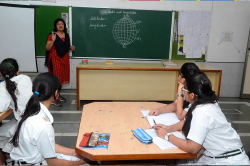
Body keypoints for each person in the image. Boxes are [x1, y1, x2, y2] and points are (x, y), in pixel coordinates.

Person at [154, 73, 250, 165]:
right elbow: (187, 122)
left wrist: (167, 135)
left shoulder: (201, 111)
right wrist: (168, 128)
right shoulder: (209, 103)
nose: (183, 91)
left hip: (226, 161)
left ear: (191, 95)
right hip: (224, 155)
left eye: (184, 89)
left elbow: (192, 148)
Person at [9, 72, 86, 165]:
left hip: (24, 160)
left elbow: (47, 145)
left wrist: (75, 153)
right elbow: (54, 163)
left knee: (74, 158)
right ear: (56, 93)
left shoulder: (29, 110)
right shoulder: (43, 125)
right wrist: (81, 162)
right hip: (35, 163)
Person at [0, 58, 33, 165]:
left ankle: (9, 158)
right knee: (5, 133)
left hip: (23, 124)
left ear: (1, 73)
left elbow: (1, 107)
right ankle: (10, 157)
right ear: (18, 71)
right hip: (33, 119)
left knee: (1, 135)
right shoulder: (26, 78)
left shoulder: (3, 86)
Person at [45, 18, 75, 107]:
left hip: (64, 60)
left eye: (62, 24)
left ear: (64, 26)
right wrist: (52, 41)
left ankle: (57, 96)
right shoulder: (52, 35)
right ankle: (53, 99)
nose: (60, 25)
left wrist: (71, 47)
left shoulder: (66, 35)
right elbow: (47, 48)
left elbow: (64, 47)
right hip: (55, 60)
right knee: (56, 80)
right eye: (58, 24)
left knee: (61, 79)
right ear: (55, 26)